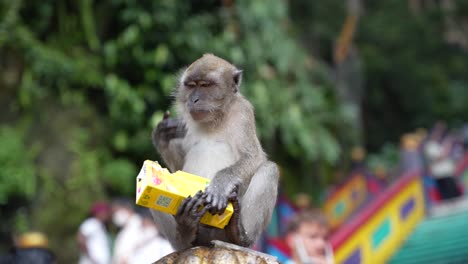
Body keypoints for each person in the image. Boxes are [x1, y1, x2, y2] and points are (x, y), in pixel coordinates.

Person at [111, 198, 142, 264]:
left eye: (116, 211)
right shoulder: (126, 228)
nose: (115, 215)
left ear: (127, 209)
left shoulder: (138, 225)